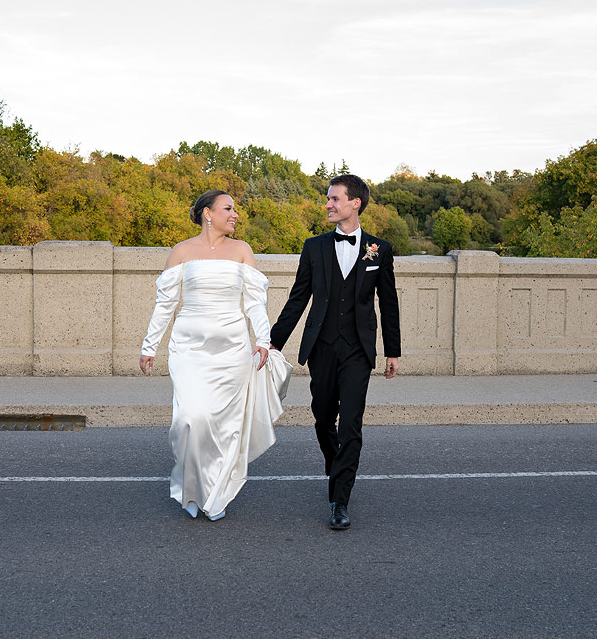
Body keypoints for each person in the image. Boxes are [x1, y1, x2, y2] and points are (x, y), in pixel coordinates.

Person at [139, 190, 291, 521]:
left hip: (232, 350)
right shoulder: (182, 251)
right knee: (191, 418)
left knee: (224, 425)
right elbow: (165, 304)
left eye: (235, 209)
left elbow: (254, 302)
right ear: (208, 213)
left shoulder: (242, 250)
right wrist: (150, 346)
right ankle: (191, 488)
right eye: (228, 208)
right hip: (188, 349)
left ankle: (217, 493)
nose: (235, 214)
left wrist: (263, 339)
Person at [269, 174, 401, 531]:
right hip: (322, 346)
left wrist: (393, 350)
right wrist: (273, 342)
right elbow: (298, 298)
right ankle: (337, 464)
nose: (327, 204)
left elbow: (388, 302)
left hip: (358, 348)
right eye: (328, 199)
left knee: (351, 424)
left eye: (334, 199)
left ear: (355, 203)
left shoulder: (379, 249)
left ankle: (339, 499)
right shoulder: (314, 247)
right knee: (323, 417)